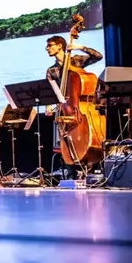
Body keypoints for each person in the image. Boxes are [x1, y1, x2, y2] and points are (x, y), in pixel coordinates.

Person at [43, 35, 103, 179]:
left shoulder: (75, 60)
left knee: (88, 136)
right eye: (47, 46)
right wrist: (48, 105)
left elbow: (98, 56)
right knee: (65, 139)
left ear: (60, 46)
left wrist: (80, 47)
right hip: (64, 108)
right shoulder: (51, 71)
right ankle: (71, 173)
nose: (48, 48)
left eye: (50, 45)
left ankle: (91, 169)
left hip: (79, 107)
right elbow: (50, 91)